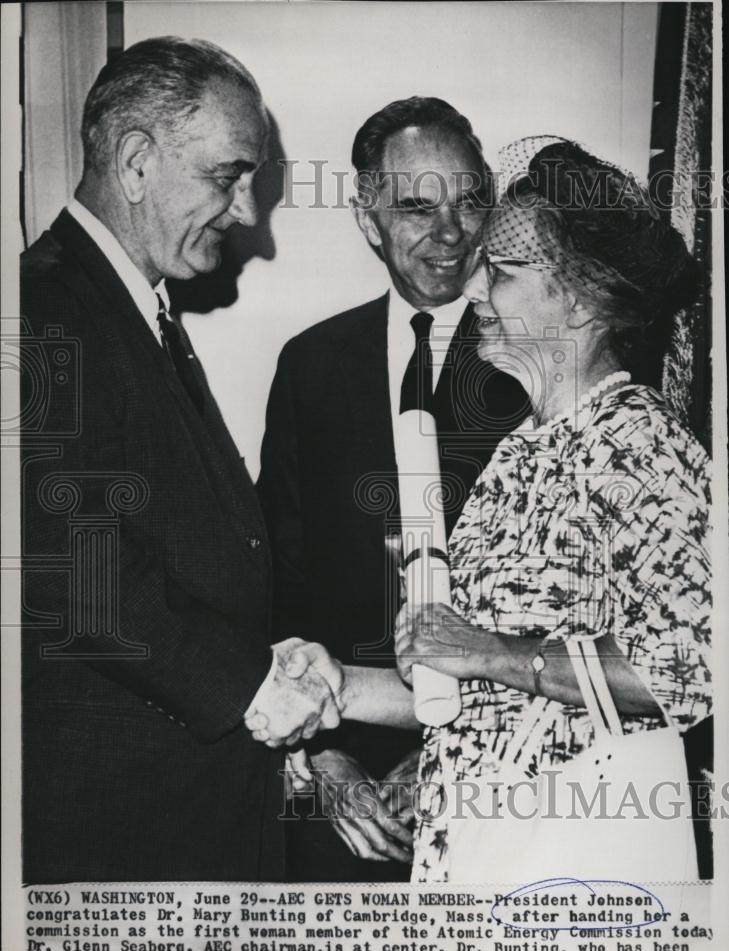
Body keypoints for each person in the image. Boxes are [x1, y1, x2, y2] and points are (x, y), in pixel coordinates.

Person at [246, 137, 712, 882]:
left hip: (579, 869)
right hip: (480, 854)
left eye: (500, 272)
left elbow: (690, 671)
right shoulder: (521, 451)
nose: (474, 292)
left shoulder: (637, 443)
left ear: (581, 294)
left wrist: (489, 651)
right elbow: (466, 683)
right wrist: (337, 684)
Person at [20, 36, 339, 883]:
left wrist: (271, 662)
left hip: (188, 804)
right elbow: (68, 558)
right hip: (121, 829)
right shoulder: (42, 308)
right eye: (226, 176)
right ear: (134, 162)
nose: (244, 212)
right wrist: (250, 687)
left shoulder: (129, 310)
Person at [257, 97, 529, 881]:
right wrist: (326, 754)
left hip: (497, 765)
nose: (451, 234)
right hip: (339, 770)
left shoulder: (540, 360)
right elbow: (281, 576)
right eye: (416, 206)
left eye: (469, 201)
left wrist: (442, 757)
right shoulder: (310, 365)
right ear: (367, 217)